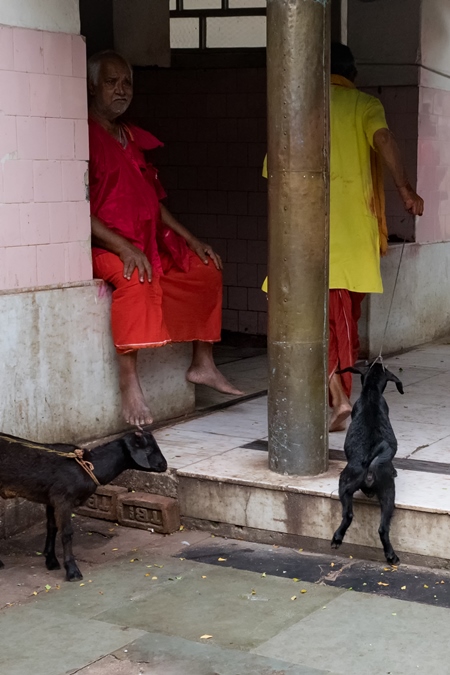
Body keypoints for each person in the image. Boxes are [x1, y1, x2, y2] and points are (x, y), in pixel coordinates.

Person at [263, 42, 424, 431]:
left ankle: (337, 395)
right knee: (341, 322)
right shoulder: (364, 105)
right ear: (353, 75)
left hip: (306, 234)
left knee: (322, 321)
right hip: (353, 237)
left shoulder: (301, 112)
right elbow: (383, 140)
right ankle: (340, 399)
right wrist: (405, 189)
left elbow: (273, 170)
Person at [87, 50, 242, 427]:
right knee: (134, 277)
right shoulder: (82, 134)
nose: (121, 90)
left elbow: (154, 203)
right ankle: (129, 383)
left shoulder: (129, 136)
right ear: (92, 86)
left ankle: (203, 364)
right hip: (102, 245)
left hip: (145, 242)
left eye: (127, 83)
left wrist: (191, 239)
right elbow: (78, 209)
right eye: (111, 82)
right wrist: (123, 247)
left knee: (204, 270)